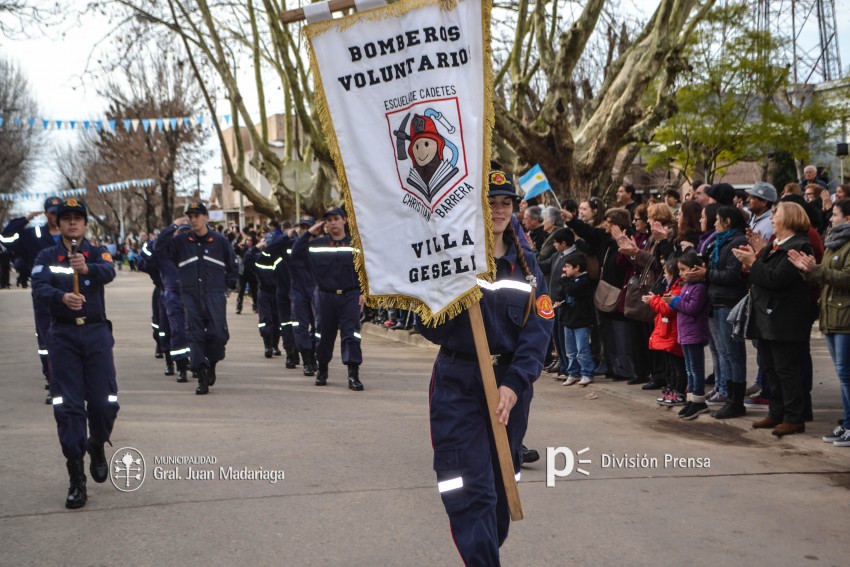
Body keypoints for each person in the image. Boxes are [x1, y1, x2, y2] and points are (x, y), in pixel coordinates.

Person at [417, 171, 552, 565]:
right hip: (458, 381)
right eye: (490, 201)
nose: (498, 209)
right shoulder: (451, 261)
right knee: (469, 487)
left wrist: (514, 384)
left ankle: (487, 553)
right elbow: (428, 326)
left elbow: (539, 332)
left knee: (500, 487)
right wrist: (453, 294)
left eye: (506, 203)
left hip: (510, 387)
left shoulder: (528, 269)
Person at [30, 198, 119, 509]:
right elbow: (38, 285)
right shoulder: (46, 255)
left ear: (84, 224)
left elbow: (109, 271)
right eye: (66, 218)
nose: (71, 223)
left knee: (103, 402)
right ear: (59, 222)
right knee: (68, 408)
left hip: (95, 333)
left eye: (77, 219)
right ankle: (76, 477)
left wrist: (88, 268)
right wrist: (61, 296)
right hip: (64, 335)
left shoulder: (96, 251)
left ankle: (96, 443)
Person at [733, 202, 814, 437]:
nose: (771, 218)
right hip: (767, 318)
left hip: (785, 320)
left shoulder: (800, 246)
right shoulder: (773, 246)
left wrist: (753, 264)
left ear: (788, 218)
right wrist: (751, 263)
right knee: (770, 368)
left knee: (786, 370)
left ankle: (794, 417)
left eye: (776, 214)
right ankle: (776, 411)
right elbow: (761, 277)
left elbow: (778, 279)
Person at [158, 202, 237, 395]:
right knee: (195, 335)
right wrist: (173, 227)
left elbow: (233, 264)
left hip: (215, 294)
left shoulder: (219, 241)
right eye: (190, 216)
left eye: (196, 216)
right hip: (190, 294)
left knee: (218, 334)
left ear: (206, 218)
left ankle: (212, 362)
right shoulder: (181, 241)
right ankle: (201, 374)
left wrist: (228, 285)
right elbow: (159, 248)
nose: (193, 220)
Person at [789, 198, 850, 447]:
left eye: (835, 214)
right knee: (842, 374)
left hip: (845, 317)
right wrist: (808, 270)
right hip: (831, 315)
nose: (831, 218)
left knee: (846, 375)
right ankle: (846, 423)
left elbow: (846, 278)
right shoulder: (835, 243)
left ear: (847, 218)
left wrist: (816, 270)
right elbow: (823, 277)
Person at [291, 207, 364, 390]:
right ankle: (322, 369)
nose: (332, 223)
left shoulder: (355, 244)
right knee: (323, 336)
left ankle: (353, 375)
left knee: (351, 335)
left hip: (350, 295)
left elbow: (365, 270)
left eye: (335, 219)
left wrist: (364, 293)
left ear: (344, 220)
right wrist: (309, 232)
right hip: (325, 296)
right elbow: (296, 254)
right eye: (328, 220)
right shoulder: (317, 244)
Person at [1, 196, 64, 403]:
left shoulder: (72, 234)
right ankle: (52, 378)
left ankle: (64, 379)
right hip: (43, 296)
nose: (56, 216)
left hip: (70, 296)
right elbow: (6, 237)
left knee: (70, 338)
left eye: (58, 211)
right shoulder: (33, 235)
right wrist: (25, 219)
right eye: (52, 212)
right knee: (47, 338)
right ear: (46, 213)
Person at [665, 251, 711, 420]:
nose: (681, 274)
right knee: (689, 368)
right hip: (685, 333)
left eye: (684, 270)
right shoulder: (686, 286)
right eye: (680, 270)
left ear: (695, 269)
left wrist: (676, 302)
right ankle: (691, 398)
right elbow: (681, 307)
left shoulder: (699, 288)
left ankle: (699, 399)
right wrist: (671, 301)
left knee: (696, 369)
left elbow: (692, 308)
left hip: (695, 333)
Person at [643, 259, 686, 407]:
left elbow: (668, 308)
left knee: (677, 365)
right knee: (669, 365)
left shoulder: (678, 288)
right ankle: (671, 388)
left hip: (673, 333)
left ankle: (679, 391)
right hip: (667, 332)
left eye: (666, 273)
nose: (665, 276)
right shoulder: (671, 287)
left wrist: (654, 300)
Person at [555, 252, 595, 386]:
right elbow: (562, 293)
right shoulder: (569, 281)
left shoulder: (584, 281)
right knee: (570, 351)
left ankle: (587, 373)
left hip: (581, 321)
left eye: (567, 266)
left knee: (582, 349)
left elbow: (572, 290)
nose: (564, 269)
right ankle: (573, 373)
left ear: (577, 267)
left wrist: (564, 280)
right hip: (568, 320)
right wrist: (558, 300)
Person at [289, 215, 320, 376]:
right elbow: (294, 252)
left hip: (316, 291)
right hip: (298, 292)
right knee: (300, 327)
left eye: (307, 227)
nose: (304, 230)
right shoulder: (296, 245)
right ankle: (306, 359)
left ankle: (314, 355)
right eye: (302, 228)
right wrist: (307, 234)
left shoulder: (319, 246)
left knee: (317, 328)